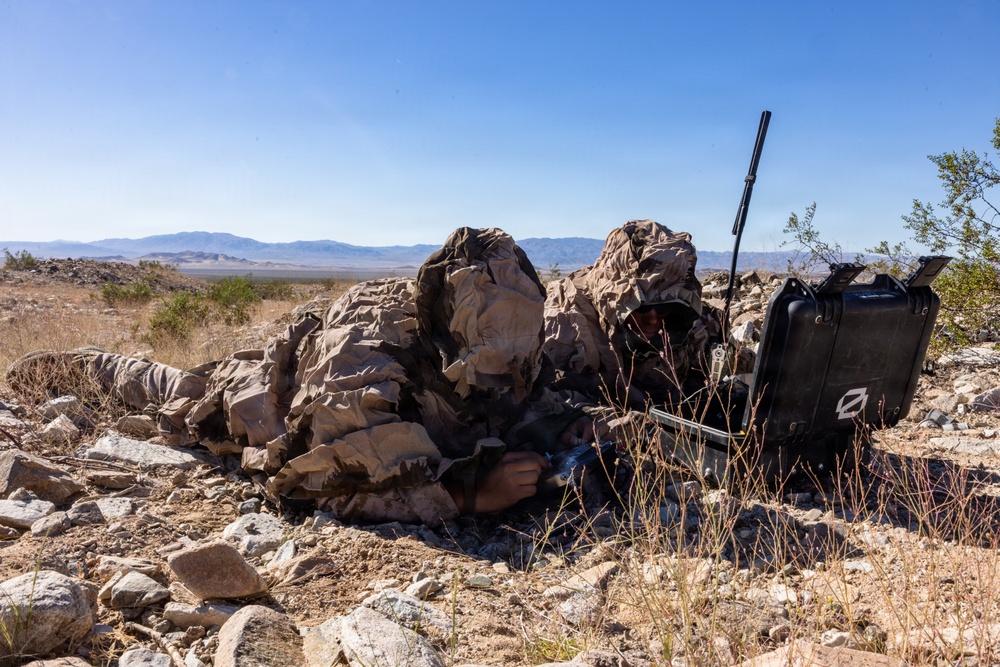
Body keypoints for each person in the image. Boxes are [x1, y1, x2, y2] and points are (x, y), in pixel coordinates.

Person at [7, 228, 594, 527]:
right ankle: (70, 363)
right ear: (446, 337)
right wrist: (471, 495)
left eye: (516, 360)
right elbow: (323, 485)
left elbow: (520, 391)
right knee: (180, 395)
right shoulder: (366, 366)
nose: (506, 376)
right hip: (271, 397)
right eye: (488, 362)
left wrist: (559, 430)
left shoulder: (509, 339)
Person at [543, 219, 727, 411]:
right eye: (642, 309)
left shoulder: (691, 322)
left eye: (664, 309)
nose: (653, 320)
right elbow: (546, 402)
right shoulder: (569, 324)